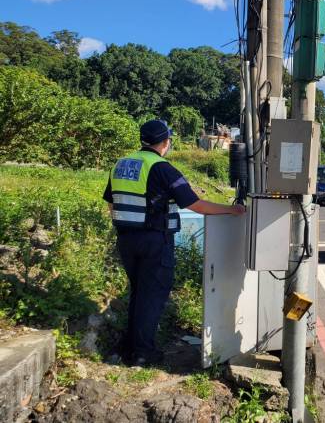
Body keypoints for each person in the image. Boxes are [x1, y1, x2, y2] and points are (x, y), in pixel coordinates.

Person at [104, 119, 245, 366]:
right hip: (154, 241)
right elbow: (195, 204)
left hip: (126, 239)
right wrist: (230, 210)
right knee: (152, 296)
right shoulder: (162, 168)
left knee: (138, 293)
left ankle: (131, 347)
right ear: (166, 142)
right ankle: (142, 354)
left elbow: (111, 203)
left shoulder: (121, 164)